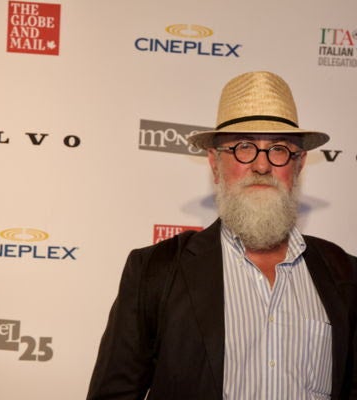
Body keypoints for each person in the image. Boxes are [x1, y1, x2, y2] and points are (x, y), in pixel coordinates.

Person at [87, 71, 357, 399]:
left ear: (298, 165)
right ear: (215, 163)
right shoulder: (155, 270)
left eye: (278, 149)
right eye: (244, 147)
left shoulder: (346, 276)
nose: (261, 166)